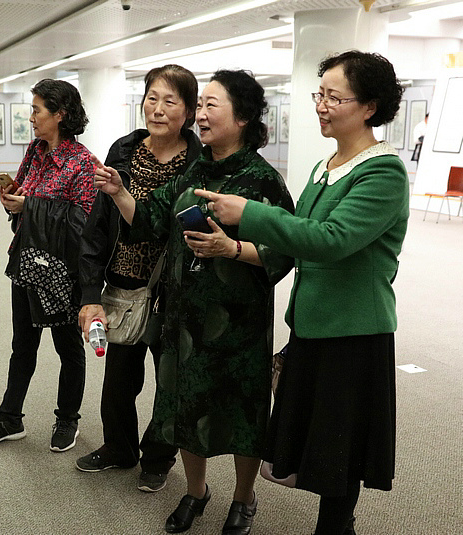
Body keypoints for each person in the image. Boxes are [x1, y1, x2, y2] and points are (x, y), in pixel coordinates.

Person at [197, 51, 409, 535]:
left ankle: (336, 527)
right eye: (321, 94)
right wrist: (234, 248)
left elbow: (330, 241)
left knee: (341, 450)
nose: (322, 105)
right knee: (319, 445)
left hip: (352, 332)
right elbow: (292, 246)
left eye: (335, 97)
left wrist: (248, 213)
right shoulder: (326, 165)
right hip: (313, 324)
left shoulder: (382, 173)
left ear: (370, 106)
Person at [93, 70, 293, 535]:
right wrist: (120, 191)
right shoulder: (195, 168)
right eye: (199, 106)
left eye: (211, 106)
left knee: (242, 413)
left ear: (242, 117)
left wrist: (233, 250)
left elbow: (286, 249)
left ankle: (244, 498)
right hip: (183, 320)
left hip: (238, 323)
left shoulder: (262, 179)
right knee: (186, 405)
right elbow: (152, 218)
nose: (199, 115)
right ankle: (196, 490)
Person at [76, 64, 201, 493]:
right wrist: (90, 293)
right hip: (124, 287)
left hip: (173, 293)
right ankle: (119, 448)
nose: (158, 109)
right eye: (152, 98)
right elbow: (96, 227)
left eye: (170, 101)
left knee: (170, 386)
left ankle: (159, 458)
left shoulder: (199, 162)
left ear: (188, 111)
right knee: (118, 384)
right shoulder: (125, 151)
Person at [0, 79, 96, 453]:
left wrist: (31, 207)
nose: (31, 117)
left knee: (67, 347)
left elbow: (82, 222)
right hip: (27, 259)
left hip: (60, 270)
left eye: (37, 109)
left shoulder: (82, 163)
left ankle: (67, 420)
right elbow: (24, 194)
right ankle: (10, 417)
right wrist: (11, 199)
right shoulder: (35, 151)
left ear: (60, 115)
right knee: (22, 344)